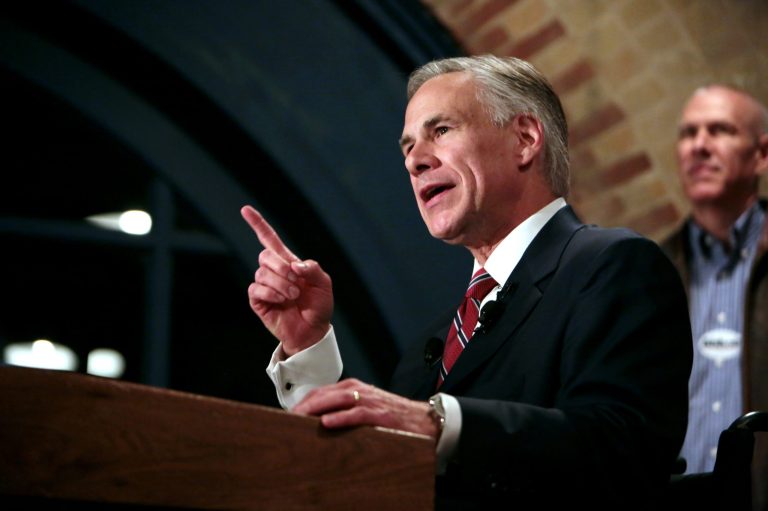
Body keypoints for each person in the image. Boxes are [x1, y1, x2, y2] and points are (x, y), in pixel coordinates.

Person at [241, 55, 693, 510]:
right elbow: (382, 471)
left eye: (441, 131)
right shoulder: (433, 344)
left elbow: (623, 450)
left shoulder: (611, 267)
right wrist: (309, 354)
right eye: (407, 147)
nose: (415, 161)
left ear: (524, 139)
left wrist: (441, 423)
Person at [660, 84, 768, 510]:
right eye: (688, 134)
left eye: (719, 130)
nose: (698, 146)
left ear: (761, 155)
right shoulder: (652, 270)